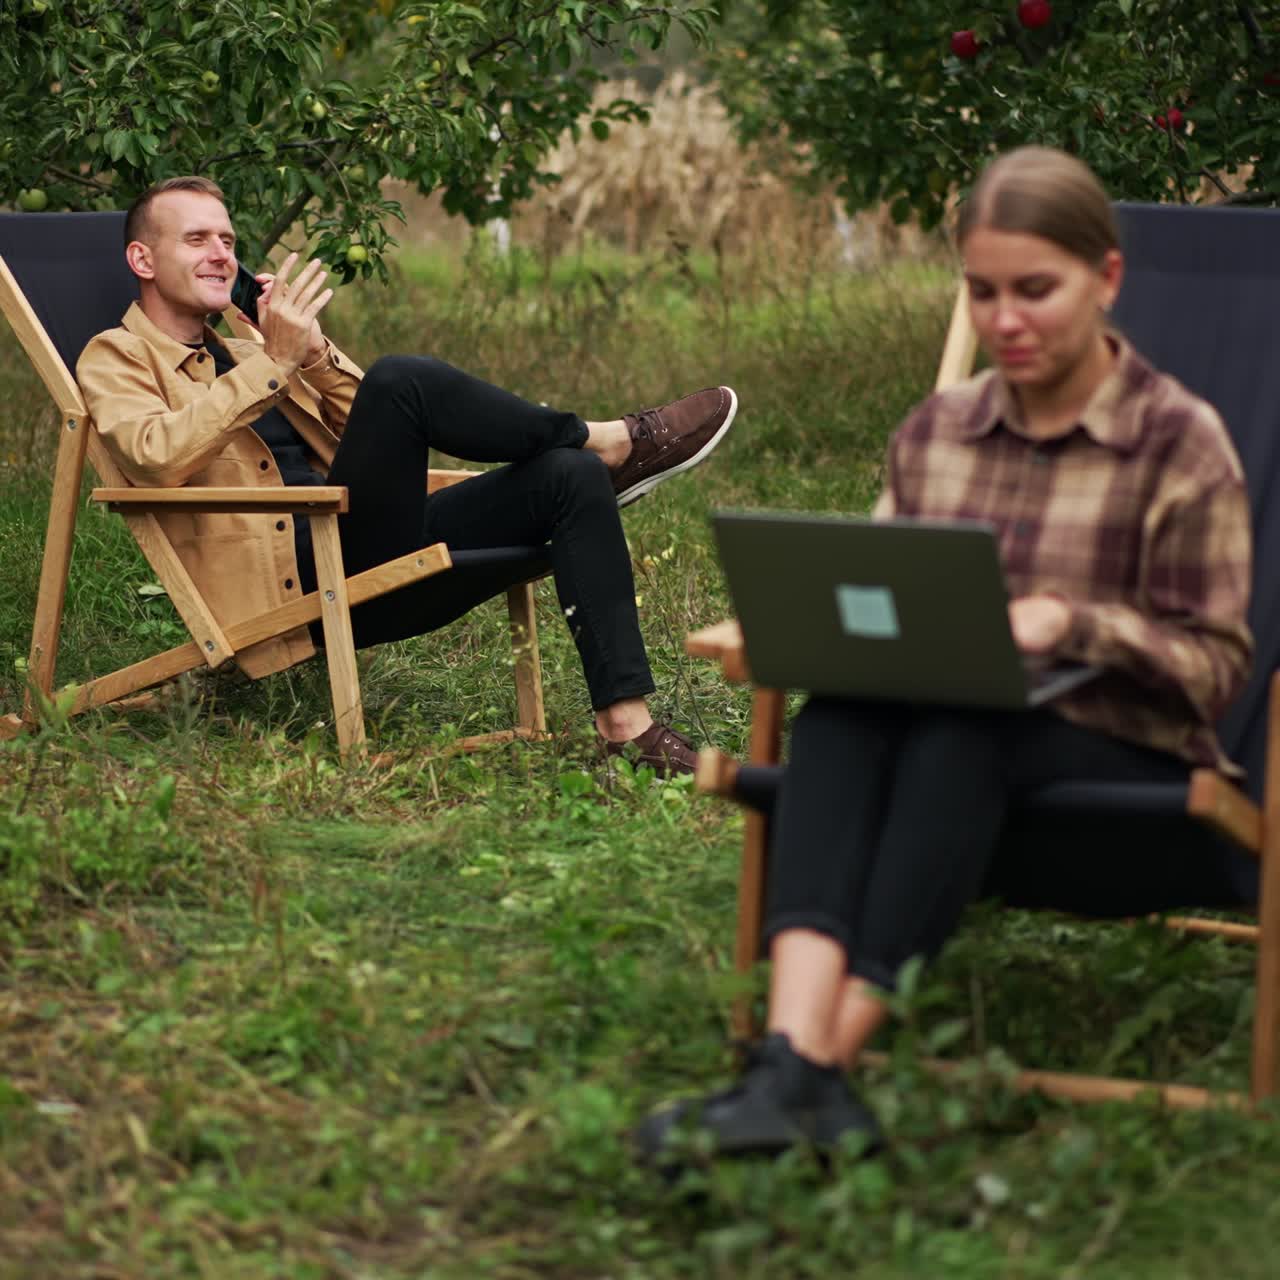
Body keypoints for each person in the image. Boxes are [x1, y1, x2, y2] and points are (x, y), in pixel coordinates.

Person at [635, 146, 1255, 1162]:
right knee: (839, 714)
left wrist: (1067, 624)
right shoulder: (939, 433)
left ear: (1105, 278)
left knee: (966, 727)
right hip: (943, 754)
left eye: (1034, 290)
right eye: (982, 291)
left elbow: (1216, 666)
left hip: (1127, 777)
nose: (1005, 319)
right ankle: (794, 1062)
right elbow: (885, 605)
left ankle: (809, 1072)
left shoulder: (1178, 444)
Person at [76, 176, 740, 773]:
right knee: (403, 379)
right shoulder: (115, 357)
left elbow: (369, 426)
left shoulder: (250, 348)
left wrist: (312, 353)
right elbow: (155, 455)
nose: (222, 254)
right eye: (197, 239)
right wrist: (274, 365)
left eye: (227, 240)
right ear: (143, 259)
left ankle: (629, 731)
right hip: (297, 583)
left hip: (358, 542)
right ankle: (614, 440)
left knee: (569, 476)